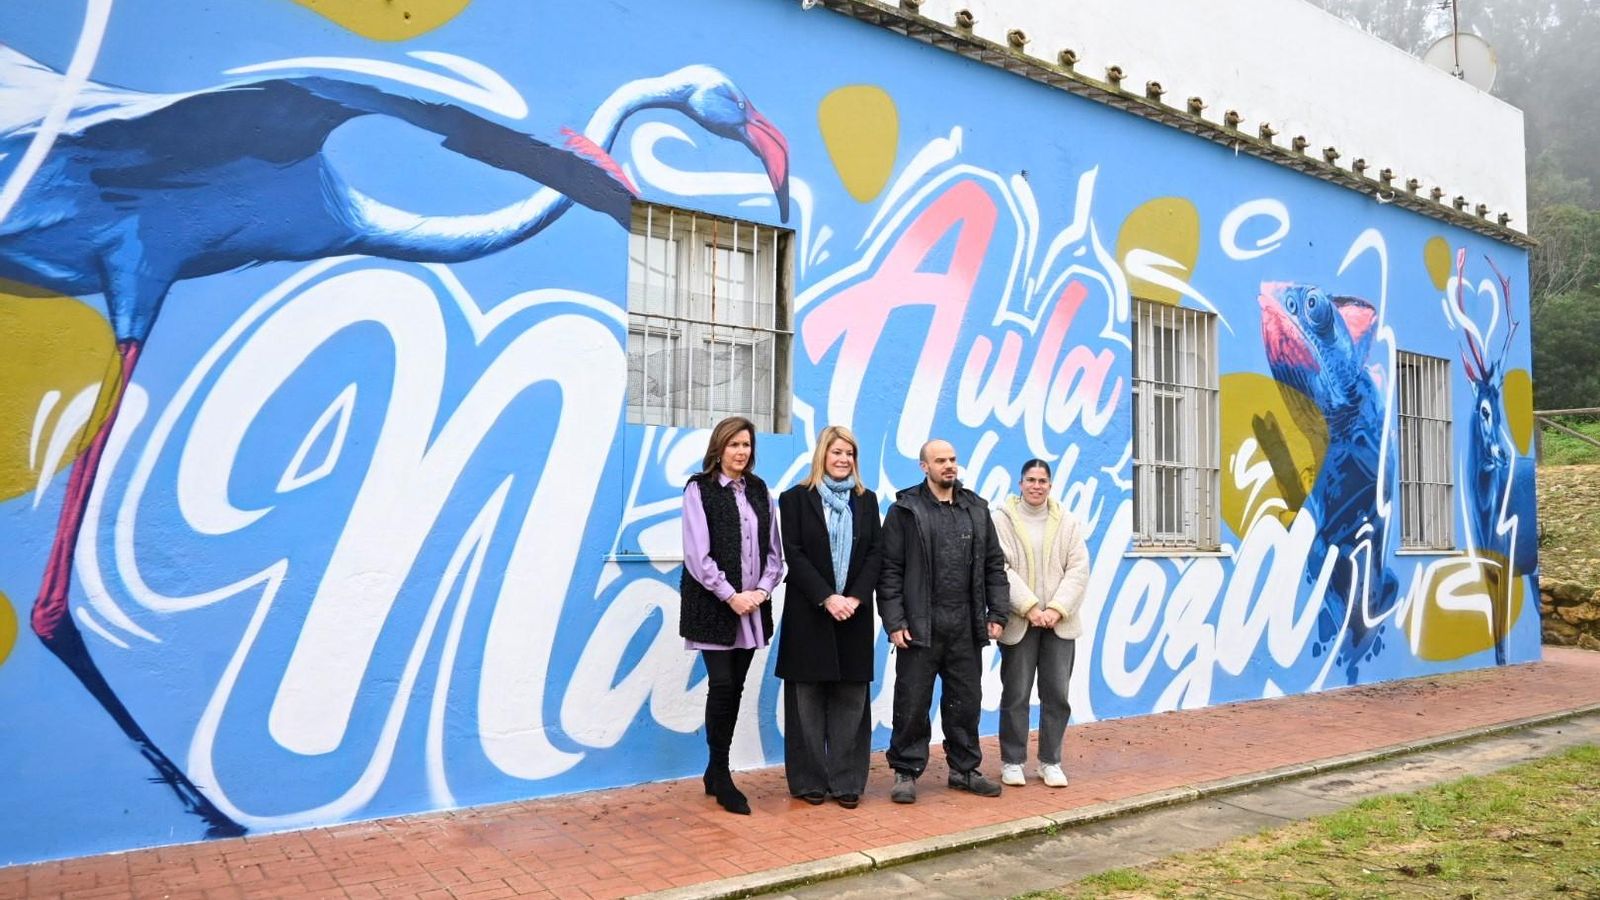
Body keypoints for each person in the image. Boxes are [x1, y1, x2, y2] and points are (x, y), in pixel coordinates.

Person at [877, 439, 1009, 803]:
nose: (949, 466)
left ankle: (964, 770)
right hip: (920, 626)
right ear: (924, 467)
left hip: (966, 625)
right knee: (912, 703)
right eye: (940, 461)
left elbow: (994, 565)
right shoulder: (905, 509)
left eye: (952, 459)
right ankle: (906, 771)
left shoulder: (976, 509)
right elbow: (890, 571)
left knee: (966, 702)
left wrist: (997, 613)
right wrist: (894, 621)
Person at [679, 415, 784, 815]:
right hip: (714, 607)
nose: (741, 452)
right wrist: (730, 595)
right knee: (722, 685)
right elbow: (696, 554)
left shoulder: (759, 490)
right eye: (734, 445)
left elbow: (775, 553)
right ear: (718, 448)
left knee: (735, 688)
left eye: (747, 445)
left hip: (752, 607)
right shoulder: (698, 489)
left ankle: (713, 769)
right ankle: (721, 773)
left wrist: (761, 590)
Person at [777, 426, 883, 809]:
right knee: (806, 703)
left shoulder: (867, 501)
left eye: (849, 454)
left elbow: (875, 554)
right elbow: (795, 553)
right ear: (822, 455)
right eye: (836, 452)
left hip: (854, 614)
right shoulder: (794, 500)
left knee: (851, 702)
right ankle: (809, 781)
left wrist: (853, 597)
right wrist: (827, 597)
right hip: (810, 613)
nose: (843, 459)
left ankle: (847, 782)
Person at [991, 459, 1090, 789]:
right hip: (1021, 622)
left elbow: (1078, 569)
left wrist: (1057, 609)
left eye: (1042, 480)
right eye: (1030, 480)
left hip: (1059, 624)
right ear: (1020, 484)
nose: (1036, 486)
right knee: (1016, 694)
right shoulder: (1001, 520)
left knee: (1057, 695)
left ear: (1050, 485)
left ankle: (1050, 761)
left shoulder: (1068, 522)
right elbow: (1000, 568)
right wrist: (1030, 607)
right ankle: (1013, 761)